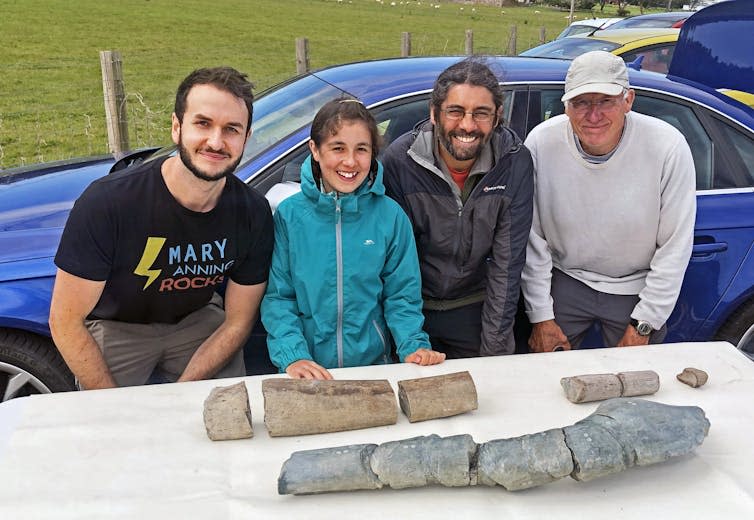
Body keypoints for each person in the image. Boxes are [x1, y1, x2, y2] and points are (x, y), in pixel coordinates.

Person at [49, 67, 273, 389]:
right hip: (118, 325)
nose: (216, 141)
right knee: (109, 430)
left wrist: (181, 395)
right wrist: (113, 407)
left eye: (231, 129)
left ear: (246, 138)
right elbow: (65, 321)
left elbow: (238, 321)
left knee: (227, 415)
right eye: (203, 123)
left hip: (197, 320)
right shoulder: (109, 202)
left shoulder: (253, 211)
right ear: (176, 127)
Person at [521, 51, 696, 352]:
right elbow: (530, 238)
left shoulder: (667, 146)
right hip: (565, 278)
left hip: (636, 285)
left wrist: (645, 322)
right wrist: (541, 317)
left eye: (605, 101)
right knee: (543, 376)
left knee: (635, 383)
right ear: (565, 105)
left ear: (628, 100)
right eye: (581, 103)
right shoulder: (541, 143)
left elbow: (674, 247)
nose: (593, 115)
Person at [261, 98, 445, 380]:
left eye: (362, 149)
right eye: (338, 148)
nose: (350, 161)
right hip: (306, 373)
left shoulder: (390, 217)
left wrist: (413, 346)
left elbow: (402, 297)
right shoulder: (289, 217)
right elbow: (279, 299)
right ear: (315, 150)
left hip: (373, 371)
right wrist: (293, 355)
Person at [382, 57, 534, 359]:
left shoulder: (514, 162)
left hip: (475, 309)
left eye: (481, 114)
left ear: (498, 116)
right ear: (434, 113)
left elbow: (507, 265)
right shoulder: (401, 160)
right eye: (455, 111)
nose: (467, 125)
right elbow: (394, 263)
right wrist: (409, 339)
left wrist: (492, 355)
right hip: (410, 311)